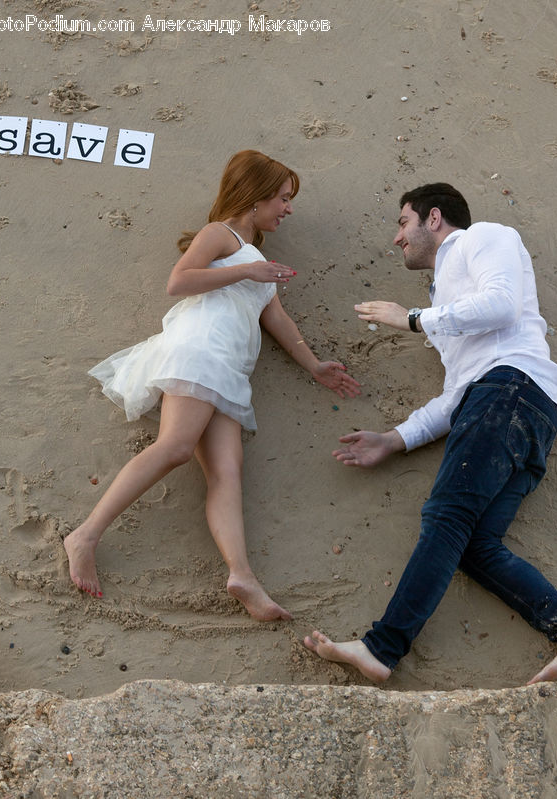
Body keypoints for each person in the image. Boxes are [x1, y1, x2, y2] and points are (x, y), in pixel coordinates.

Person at [304, 183, 557, 683]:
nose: (398, 239)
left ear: (433, 217)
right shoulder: (444, 298)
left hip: (511, 389)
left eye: (402, 223)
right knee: (472, 546)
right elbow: (461, 392)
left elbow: (503, 305)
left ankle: (382, 649)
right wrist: (395, 438)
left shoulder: (483, 238)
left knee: (445, 517)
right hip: (518, 405)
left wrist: (412, 320)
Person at [63, 150, 360, 621]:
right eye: (283, 198)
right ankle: (86, 534)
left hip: (229, 368)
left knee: (227, 468)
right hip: (200, 349)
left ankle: (241, 574)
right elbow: (178, 282)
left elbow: (276, 318)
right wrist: (245, 270)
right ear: (256, 197)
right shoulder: (219, 235)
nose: (288, 208)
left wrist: (314, 365)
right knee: (176, 447)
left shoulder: (256, 254)